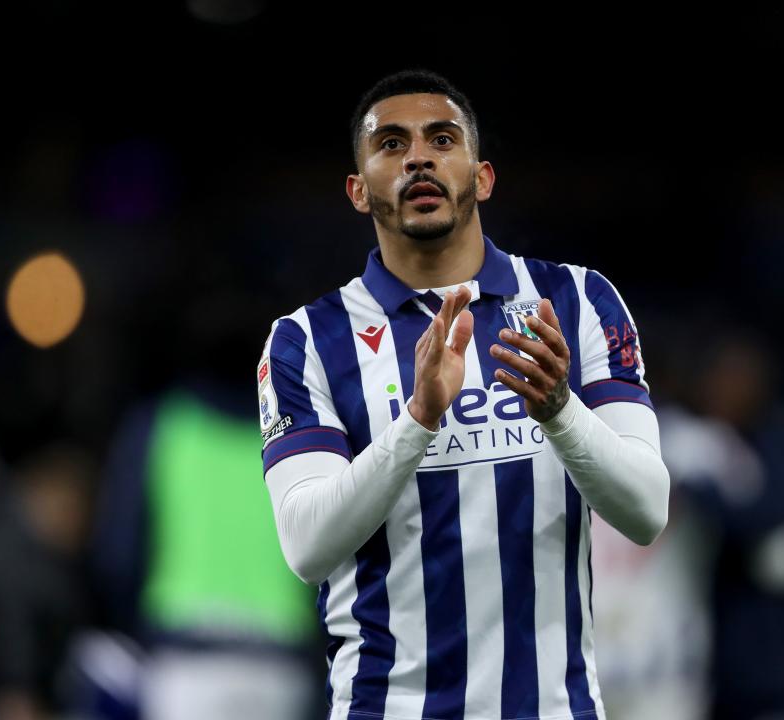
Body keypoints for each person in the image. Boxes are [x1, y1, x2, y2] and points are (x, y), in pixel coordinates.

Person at [257, 68, 671, 720]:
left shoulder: (581, 302)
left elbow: (646, 511)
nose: (418, 156)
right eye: (391, 143)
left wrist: (560, 410)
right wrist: (417, 418)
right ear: (359, 190)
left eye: (441, 139)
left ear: (481, 176)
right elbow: (308, 548)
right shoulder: (306, 340)